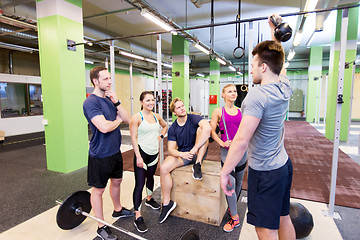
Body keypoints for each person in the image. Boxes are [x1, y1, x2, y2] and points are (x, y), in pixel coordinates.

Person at [220, 14, 296, 240]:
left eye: (253, 65)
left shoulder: (257, 96)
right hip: (283, 165)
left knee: (265, 229)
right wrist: (276, 37)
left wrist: (225, 173)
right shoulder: (284, 85)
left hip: (265, 172)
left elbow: (242, 140)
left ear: (263, 66)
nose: (251, 70)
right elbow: (278, 64)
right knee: (283, 218)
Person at [83, 66, 134, 240]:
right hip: (100, 154)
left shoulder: (110, 99)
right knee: (98, 190)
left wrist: (118, 103)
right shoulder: (91, 102)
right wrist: (118, 119)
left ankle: (118, 210)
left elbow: (128, 119)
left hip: (114, 151)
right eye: (105, 79)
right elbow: (104, 127)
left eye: (110, 78)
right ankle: (101, 225)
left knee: (117, 180)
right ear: (95, 81)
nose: (110, 82)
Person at [158, 97, 212, 224]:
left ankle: (198, 164)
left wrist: (194, 149)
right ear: (174, 112)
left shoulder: (193, 118)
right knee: (164, 168)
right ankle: (167, 204)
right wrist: (183, 153)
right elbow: (171, 149)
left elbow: (208, 129)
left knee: (202, 130)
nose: (182, 108)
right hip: (186, 155)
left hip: (198, 152)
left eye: (183, 106)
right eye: (178, 107)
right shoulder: (173, 128)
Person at [210, 84, 247, 232]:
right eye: (229, 91)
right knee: (229, 184)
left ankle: (232, 209)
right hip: (227, 152)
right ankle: (235, 218)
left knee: (238, 183)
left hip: (242, 152)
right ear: (223, 95)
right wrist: (222, 142)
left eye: (234, 91)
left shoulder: (241, 111)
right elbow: (212, 131)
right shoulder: (218, 111)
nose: (233, 93)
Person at [129, 91, 168, 233]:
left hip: (154, 153)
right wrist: (138, 156)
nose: (151, 103)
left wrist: (161, 136)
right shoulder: (136, 118)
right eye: (147, 101)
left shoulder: (157, 116)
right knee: (139, 184)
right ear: (141, 102)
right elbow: (133, 138)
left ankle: (149, 199)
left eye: (152, 100)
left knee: (151, 177)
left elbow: (165, 126)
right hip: (142, 154)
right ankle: (138, 217)